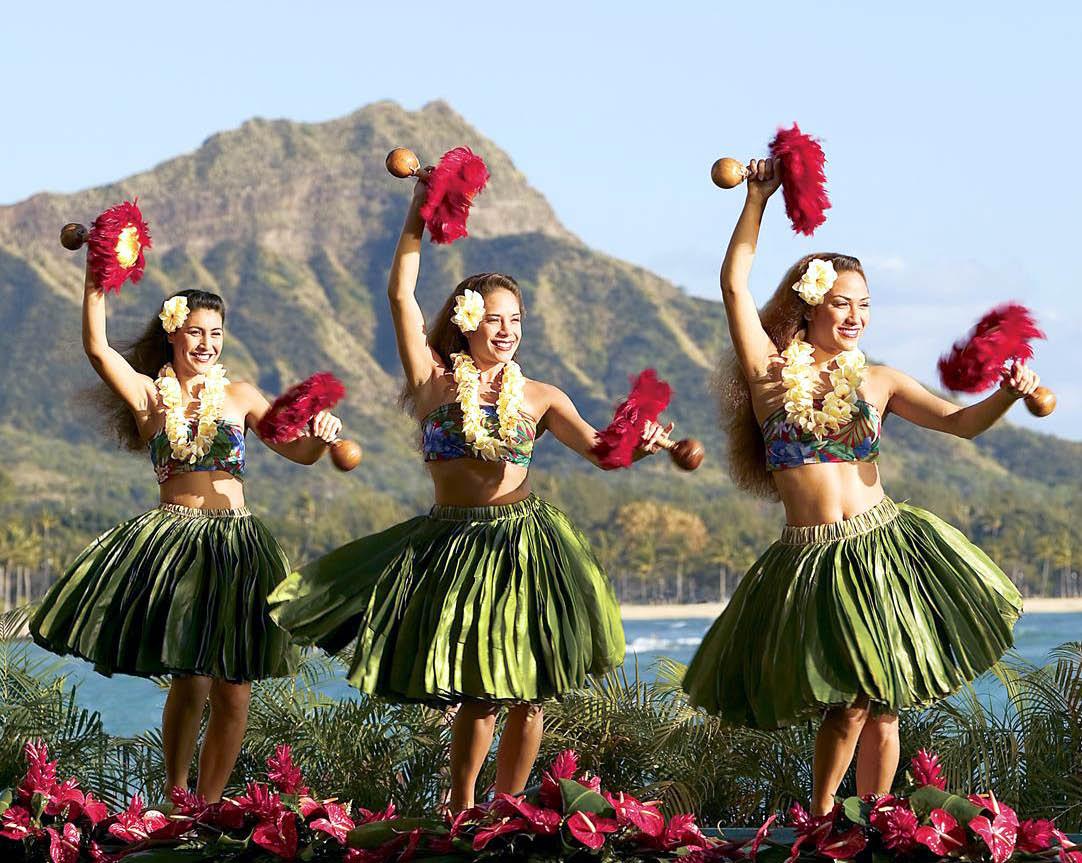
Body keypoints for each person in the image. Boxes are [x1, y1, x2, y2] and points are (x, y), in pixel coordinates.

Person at [269, 170, 670, 811]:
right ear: (465, 320)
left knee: (528, 691)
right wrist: (416, 210)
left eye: (516, 319)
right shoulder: (433, 382)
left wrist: (637, 445)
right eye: (493, 318)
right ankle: (461, 808)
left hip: (526, 544)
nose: (507, 330)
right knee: (480, 692)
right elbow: (400, 295)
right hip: (451, 545)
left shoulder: (540, 395)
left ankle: (509, 811)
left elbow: (600, 452)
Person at [682, 158, 1030, 813]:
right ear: (810, 303)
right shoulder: (769, 374)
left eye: (864, 304)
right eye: (842, 302)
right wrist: (757, 198)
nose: (856, 315)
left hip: (882, 546)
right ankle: (820, 816)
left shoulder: (880, 381)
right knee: (847, 706)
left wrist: (1004, 396)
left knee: (885, 708)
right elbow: (733, 284)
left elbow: (961, 424)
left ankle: (874, 821)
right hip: (812, 558)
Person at [31, 260, 341, 803]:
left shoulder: (241, 396)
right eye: (195, 331)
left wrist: (321, 434)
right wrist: (95, 276)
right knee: (192, 678)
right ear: (173, 331)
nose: (206, 343)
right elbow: (99, 350)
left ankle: (212, 805)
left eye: (215, 333)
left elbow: (297, 452)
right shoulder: (151, 397)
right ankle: (177, 800)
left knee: (235, 689)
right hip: (177, 542)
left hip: (239, 545)